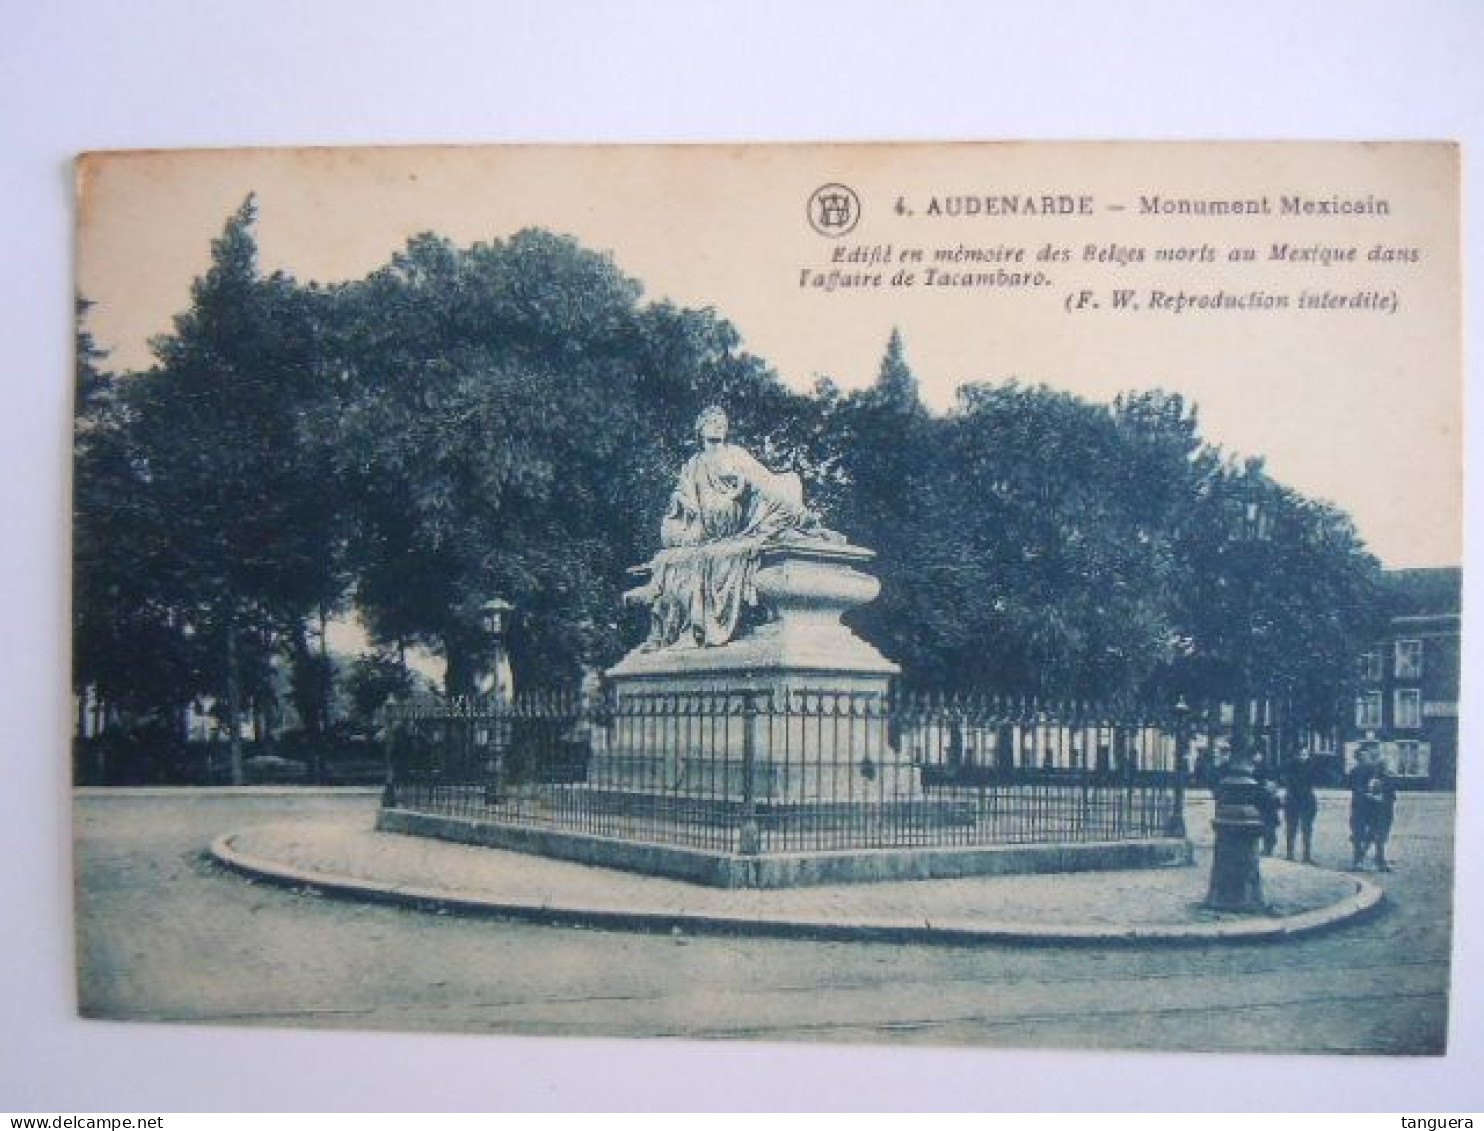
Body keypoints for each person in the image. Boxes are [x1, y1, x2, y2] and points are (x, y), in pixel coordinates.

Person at [629, 406, 836, 650]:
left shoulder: (735, 454)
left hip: (735, 528)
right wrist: (683, 506)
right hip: (704, 531)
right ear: (700, 429)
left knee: (719, 553)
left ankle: (692, 621)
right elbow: (681, 501)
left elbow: (763, 480)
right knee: (677, 557)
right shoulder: (694, 464)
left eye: (722, 422)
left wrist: (754, 489)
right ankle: (665, 603)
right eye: (712, 421)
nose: (718, 425)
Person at [1348, 743, 1398, 871]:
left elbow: (1383, 787)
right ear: (1359, 757)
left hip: (1374, 808)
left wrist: (1378, 796)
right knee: (1360, 834)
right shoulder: (1356, 771)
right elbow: (1357, 789)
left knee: (1376, 834)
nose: (1367, 757)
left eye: (1369, 755)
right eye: (1364, 755)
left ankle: (1378, 860)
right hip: (1360, 807)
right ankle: (1358, 861)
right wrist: (1370, 796)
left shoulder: (1375, 770)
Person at [1282, 746, 1320, 863]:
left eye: (1305, 754)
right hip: (1293, 800)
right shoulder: (1289, 767)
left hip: (1307, 800)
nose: (1303, 757)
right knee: (1291, 827)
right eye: (1301, 754)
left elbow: (1315, 781)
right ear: (1296, 755)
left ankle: (1306, 855)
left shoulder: (1311, 767)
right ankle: (1290, 853)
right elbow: (1286, 781)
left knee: (1307, 828)